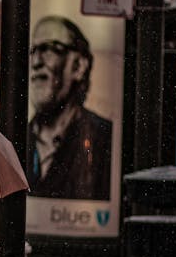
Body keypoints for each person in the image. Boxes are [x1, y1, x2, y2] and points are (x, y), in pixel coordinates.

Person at [26, 15, 112, 200]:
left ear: (79, 66)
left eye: (49, 49)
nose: (36, 62)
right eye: (33, 51)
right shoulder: (18, 139)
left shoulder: (104, 138)